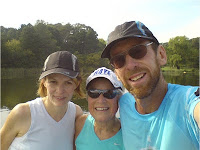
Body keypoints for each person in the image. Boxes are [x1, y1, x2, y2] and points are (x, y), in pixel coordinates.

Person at [101, 21, 200, 150]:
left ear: (161, 55)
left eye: (138, 51)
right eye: (119, 60)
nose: (130, 65)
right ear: (117, 73)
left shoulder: (187, 103)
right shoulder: (123, 103)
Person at [0, 51, 85, 150]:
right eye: (53, 82)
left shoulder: (76, 113)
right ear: (44, 82)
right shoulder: (22, 113)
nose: (60, 91)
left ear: (77, 84)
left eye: (68, 83)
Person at [75, 67, 125, 150]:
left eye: (109, 93)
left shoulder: (130, 134)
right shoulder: (80, 123)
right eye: (94, 93)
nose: (101, 100)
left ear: (119, 97)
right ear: (87, 97)